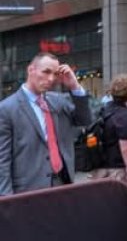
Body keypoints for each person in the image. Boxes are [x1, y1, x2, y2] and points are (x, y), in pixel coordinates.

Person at [0, 54, 91, 195]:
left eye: (55, 74)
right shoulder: (7, 109)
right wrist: (6, 201)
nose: (51, 79)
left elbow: (84, 120)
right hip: (28, 191)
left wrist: (74, 86)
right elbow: (2, 160)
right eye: (46, 72)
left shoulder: (58, 101)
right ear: (31, 70)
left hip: (63, 183)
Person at [89, 74, 127, 194]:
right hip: (117, 170)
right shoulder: (124, 116)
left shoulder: (105, 109)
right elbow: (126, 149)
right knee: (120, 206)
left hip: (100, 167)